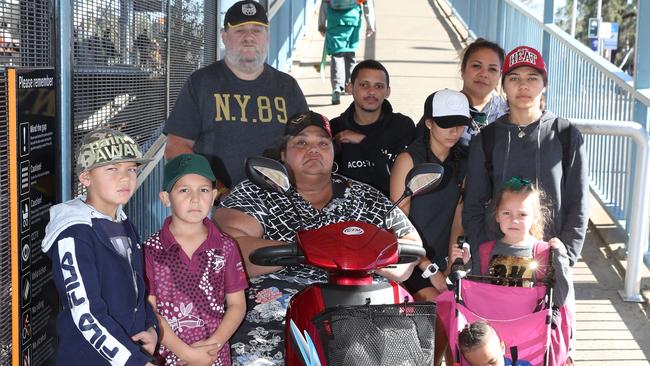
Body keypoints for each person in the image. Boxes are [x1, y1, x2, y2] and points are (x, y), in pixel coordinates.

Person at [214, 111, 422, 365]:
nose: (313, 150)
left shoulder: (365, 197)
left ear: (334, 152)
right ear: (282, 154)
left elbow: (411, 247)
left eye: (323, 143)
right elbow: (230, 249)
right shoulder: (257, 190)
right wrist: (307, 247)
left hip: (360, 306)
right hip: (276, 312)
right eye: (301, 142)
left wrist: (370, 258)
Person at [463, 45, 588, 269]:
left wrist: (564, 258)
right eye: (514, 78)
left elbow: (577, 205)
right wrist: (484, 255)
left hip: (548, 259)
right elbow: (473, 205)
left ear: (544, 85)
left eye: (532, 78)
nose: (523, 85)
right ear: (503, 85)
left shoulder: (565, 135)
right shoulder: (486, 138)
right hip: (496, 261)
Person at [41, 128, 158, 366]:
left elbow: (137, 286)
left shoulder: (121, 220)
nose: (125, 178)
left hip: (129, 351)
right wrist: (135, 362)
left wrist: (151, 327)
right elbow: (86, 314)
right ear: (86, 178)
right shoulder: (74, 234)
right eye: (112, 169)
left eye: (131, 169)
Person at [164, 0, 309, 192]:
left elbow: (307, 141)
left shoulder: (287, 86)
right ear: (224, 37)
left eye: (257, 30)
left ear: (267, 37)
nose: (249, 37)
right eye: (240, 30)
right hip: (220, 205)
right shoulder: (201, 83)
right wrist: (217, 192)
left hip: (280, 201)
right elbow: (175, 148)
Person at [143, 153, 248, 365]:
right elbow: (149, 309)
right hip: (168, 357)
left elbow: (237, 305)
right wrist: (187, 354)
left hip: (214, 356)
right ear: (165, 198)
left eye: (203, 190)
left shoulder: (226, 246)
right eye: (184, 190)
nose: (195, 198)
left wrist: (213, 347)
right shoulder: (150, 250)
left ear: (214, 194)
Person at [473, 178, 575, 365]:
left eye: (522, 214)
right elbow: (475, 299)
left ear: (536, 217)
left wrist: (561, 258)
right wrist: (464, 264)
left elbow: (560, 299)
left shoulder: (544, 252)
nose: (514, 220)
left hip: (533, 342)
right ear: (496, 215)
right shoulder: (485, 251)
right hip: (495, 339)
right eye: (506, 213)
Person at [390, 89, 470, 301]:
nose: (454, 131)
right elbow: (398, 224)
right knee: (441, 313)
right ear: (428, 123)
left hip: (445, 263)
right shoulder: (408, 160)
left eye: (460, 123)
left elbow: (458, 216)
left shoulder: (463, 161)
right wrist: (428, 267)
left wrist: (454, 261)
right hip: (411, 261)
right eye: (446, 123)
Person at [330, 59, 415, 195]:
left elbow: (399, 175)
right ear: (350, 88)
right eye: (364, 85)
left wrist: (363, 141)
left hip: (391, 210)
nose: (371, 92)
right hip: (344, 213)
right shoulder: (334, 128)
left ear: (387, 91)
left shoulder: (402, 127)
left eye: (379, 86)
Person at [318, 0, 376, 105]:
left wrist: (321, 25)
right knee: (350, 53)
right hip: (352, 19)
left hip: (334, 21)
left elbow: (324, 4)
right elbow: (367, 4)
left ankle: (336, 88)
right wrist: (370, 25)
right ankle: (351, 84)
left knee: (337, 55)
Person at [458, 38, 507, 146]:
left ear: (500, 75)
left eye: (492, 69)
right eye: (476, 66)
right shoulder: (443, 107)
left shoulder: (508, 114)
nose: (484, 74)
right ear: (463, 69)